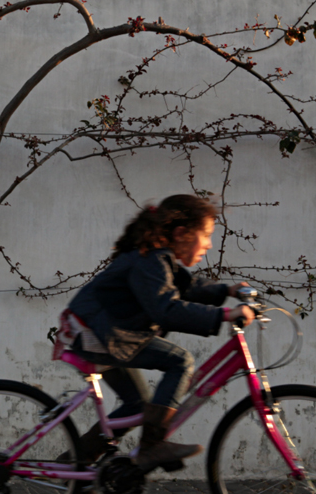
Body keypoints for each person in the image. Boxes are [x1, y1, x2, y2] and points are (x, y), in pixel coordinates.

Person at [63, 194, 255, 473]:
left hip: (97, 331)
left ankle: (74, 467)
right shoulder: (150, 261)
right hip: (96, 334)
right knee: (180, 361)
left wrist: (228, 290)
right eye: (206, 235)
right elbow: (167, 309)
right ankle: (152, 447)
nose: (209, 244)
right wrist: (225, 314)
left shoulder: (158, 258)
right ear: (181, 233)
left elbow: (186, 287)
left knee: (139, 406)